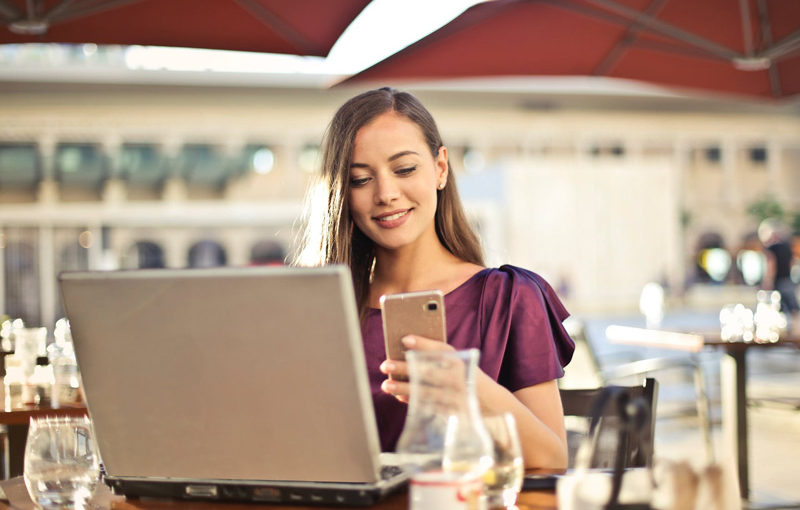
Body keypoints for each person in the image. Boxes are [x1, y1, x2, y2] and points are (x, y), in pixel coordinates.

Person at [295, 87, 574, 469]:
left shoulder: (508, 297)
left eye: (405, 169)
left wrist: (468, 388)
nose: (386, 194)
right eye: (361, 179)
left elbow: (553, 458)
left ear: (440, 168)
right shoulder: (319, 309)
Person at [758, 218, 800, 332]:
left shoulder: (771, 248)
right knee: (793, 308)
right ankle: (796, 332)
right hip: (787, 279)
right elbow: (792, 263)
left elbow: (771, 265)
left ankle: (776, 331)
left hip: (777, 281)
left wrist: (768, 281)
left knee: (774, 306)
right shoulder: (787, 246)